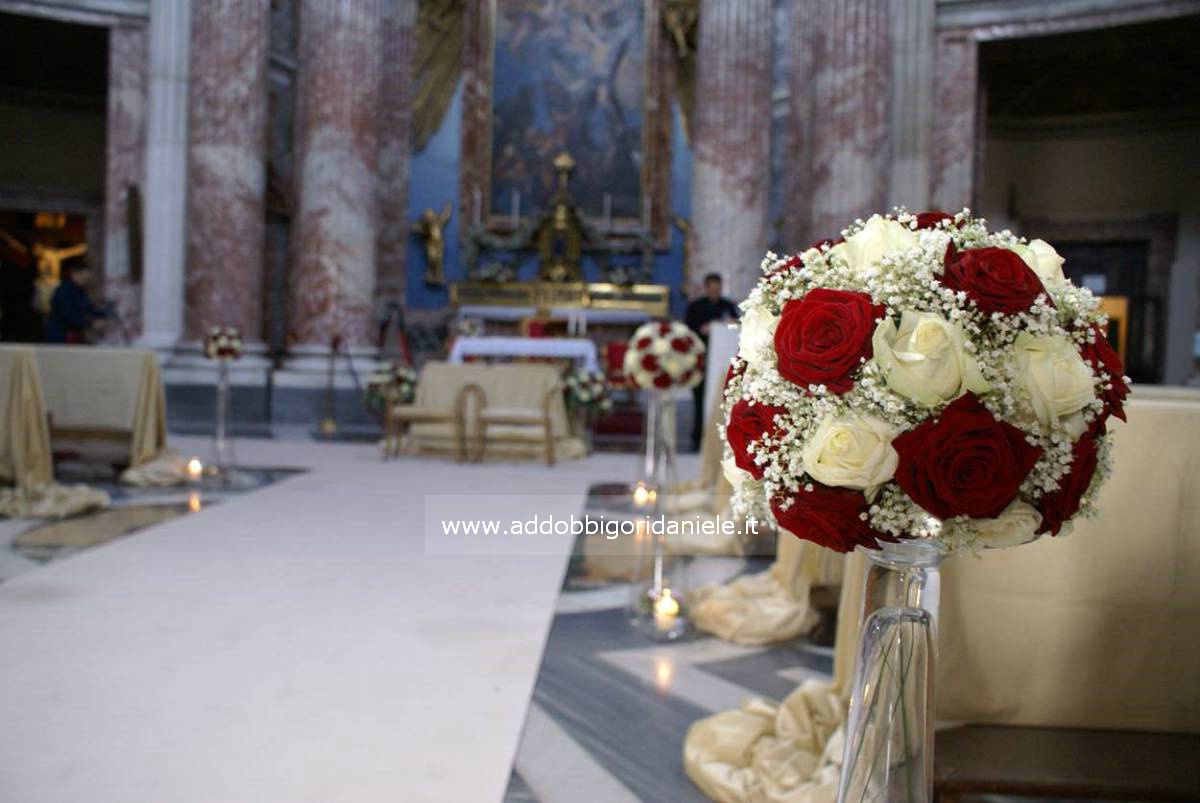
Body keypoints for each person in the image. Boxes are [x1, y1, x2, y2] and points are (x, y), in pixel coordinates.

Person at [684, 272, 739, 450]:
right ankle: (698, 438)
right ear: (706, 288)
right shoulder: (695, 307)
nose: (715, 291)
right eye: (712, 288)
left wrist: (731, 323)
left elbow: (736, 326)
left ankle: (724, 439)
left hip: (723, 361)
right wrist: (703, 329)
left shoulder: (728, 306)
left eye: (718, 288)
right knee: (700, 400)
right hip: (703, 360)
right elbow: (688, 332)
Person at [45, 261, 106, 344]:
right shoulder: (64, 290)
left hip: (73, 337)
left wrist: (100, 316)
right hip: (60, 337)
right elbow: (69, 314)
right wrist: (91, 323)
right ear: (75, 274)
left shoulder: (80, 291)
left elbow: (89, 308)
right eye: (84, 278)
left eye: (88, 279)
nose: (86, 281)